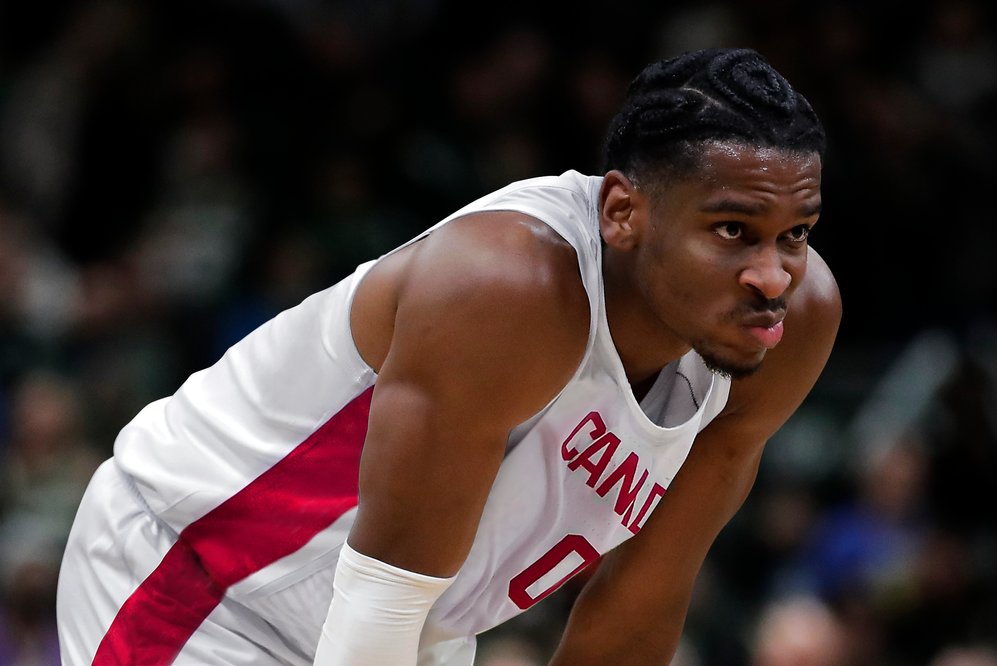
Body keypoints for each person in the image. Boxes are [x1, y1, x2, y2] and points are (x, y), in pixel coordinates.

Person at [56, 47, 841, 665]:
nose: (771, 276)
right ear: (623, 212)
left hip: (414, 631)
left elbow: (636, 608)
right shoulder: (507, 288)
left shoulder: (787, 326)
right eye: (733, 231)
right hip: (206, 581)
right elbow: (378, 607)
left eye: (794, 235)